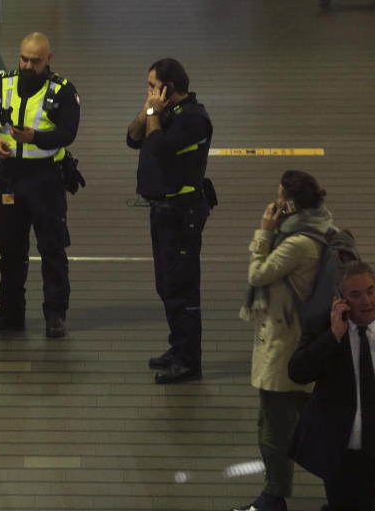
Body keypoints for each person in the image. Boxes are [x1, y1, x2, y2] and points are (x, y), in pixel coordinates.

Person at [232, 171, 331, 511]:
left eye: (278, 197)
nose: (274, 202)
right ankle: (342, 488)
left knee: (273, 429)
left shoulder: (296, 243)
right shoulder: (322, 229)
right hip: (307, 342)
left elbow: (258, 274)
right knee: (319, 423)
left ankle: (273, 497)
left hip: (284, 345)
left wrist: (264, 232)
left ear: (289, 203)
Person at [0, 32, 80, 339]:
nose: (27, 65)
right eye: (23, 58)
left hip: (46, 180)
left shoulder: (62, 91)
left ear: (48, 59)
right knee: (9, 251)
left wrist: (36, 138)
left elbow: (68, 133)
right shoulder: (3, 84)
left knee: (52, 249)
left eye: (35, 60)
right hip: (10, 178)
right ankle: (10, 312)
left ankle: (55, 315)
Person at [126, 58, 212, 384]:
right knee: (166, 285)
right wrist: (149, 110)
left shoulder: (193, 119)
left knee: (182, 289)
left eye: (152, 86)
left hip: (182, 214)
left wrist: (153, 116)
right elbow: (133, 138)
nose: (148, 92)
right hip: (162, 212)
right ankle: (178, 349)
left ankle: (190, 362)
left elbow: (157, 147)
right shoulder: (166, 113)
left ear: (169, 87)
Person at [289, 261, 375, 510]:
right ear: (341, 299)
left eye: (370, 290)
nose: (366, 301)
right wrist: (333, 337)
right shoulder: (323, 327)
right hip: (340, 452)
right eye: (356, 294)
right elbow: (298, 372)